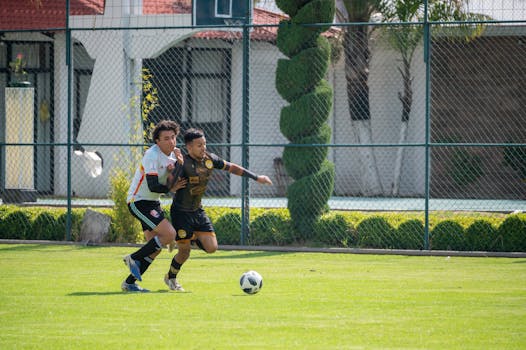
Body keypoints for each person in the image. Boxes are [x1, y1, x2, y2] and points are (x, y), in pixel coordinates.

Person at [164, 128, 273, 291]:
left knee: (212, 248)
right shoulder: (182, 162)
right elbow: (168, 184)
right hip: (181, 212)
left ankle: (187, 237)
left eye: (204, 144)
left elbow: (232, 167)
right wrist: (172, 184)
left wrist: (256, 177)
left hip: (197, 211)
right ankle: (171, 278)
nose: (203, 148)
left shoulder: (209, 159)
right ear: (189, 147)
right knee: (184, 252)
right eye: (199, 145)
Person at [121, 120, 186, 292]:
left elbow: (174, 180)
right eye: (166, 138)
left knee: (154, 248)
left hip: (152, 202)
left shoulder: (174, 156)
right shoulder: (152, 155)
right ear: (157, 141)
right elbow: (153, 185)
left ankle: (129, 283)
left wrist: (180, 164)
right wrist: (172, 186)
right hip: (138, 201)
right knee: (169, 234)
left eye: (173, 137)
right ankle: (132, 258)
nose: (171, 141)